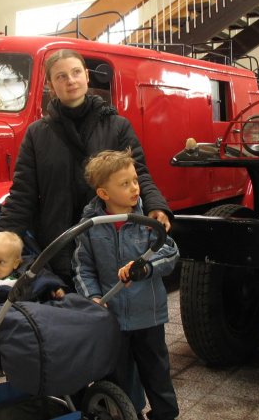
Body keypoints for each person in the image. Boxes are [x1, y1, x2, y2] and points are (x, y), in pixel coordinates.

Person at [0, 49, 172, 289]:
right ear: (50, 84)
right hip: (58, 245)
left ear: (87, 76)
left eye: (76, 72)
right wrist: (4, 237)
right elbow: (23, 193)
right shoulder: (37, 134)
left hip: (109, 243)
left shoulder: (116, 126)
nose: (71, 80)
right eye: (61, 76)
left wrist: (156, 206)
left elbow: (139, 175)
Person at [72, 148, 180, 420]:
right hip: (112, 318)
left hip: (148, 317)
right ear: (103, 194)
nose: (135, 188)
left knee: (157, 376)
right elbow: (83, 267)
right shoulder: (90, 225)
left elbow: (171, 255)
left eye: (135, 180)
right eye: (125, 183)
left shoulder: (148, 222)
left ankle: (165, 415)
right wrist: (93, 299)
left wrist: (145, 268)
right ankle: (126, 413)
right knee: (117, 376)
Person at [0, 231, 65, 307]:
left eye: (1, 262)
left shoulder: (28, 272)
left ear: (15, 263)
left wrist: (55, 290)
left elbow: (46, 280)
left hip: (31, 308)